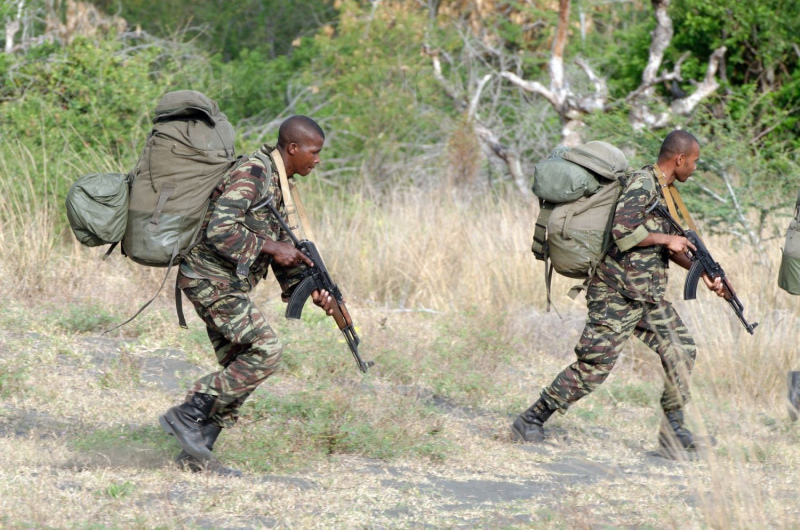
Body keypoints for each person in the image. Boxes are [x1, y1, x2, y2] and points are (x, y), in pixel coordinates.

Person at [512, 130, 727, 459]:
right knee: (594, 367)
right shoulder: (642, 183)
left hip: (646, 295)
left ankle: (672, 433)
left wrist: (704, 275)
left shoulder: (665, 192)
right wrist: (665, 239)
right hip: (615, 293)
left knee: (681, 350)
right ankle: (531, 419)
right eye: (694, 162)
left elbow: (669, 248)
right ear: (679, 159)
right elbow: (622, 232)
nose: (695, 168)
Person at [158, 115, 337, 476]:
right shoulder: (254, 172)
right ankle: (188, 413)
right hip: (208, 277)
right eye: (314, 152)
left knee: (243, 365)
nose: (317, 160)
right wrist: (271, 247)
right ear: (293, 148)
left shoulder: (281, 186)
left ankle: (197, 453)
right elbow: (219, 229)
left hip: (226, 283)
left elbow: (284, 254)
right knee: (266, 350)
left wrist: (310, 290)